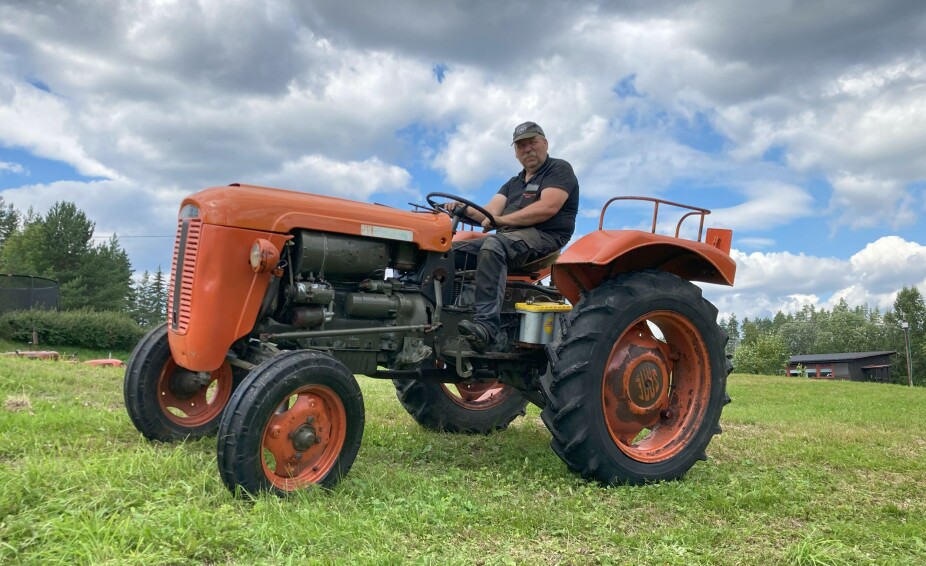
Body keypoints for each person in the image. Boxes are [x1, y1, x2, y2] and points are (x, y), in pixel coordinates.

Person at [450, 121, 579, 352]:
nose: (527, 149)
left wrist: (500, 221)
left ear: (545, 143)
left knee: (492, 245)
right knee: (445, 253)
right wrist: (460, 208)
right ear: (516, 152)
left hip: (543, 237)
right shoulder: (513, 183)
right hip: (510, 238)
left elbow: (547, 208)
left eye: (532, 142)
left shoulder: (558, 170)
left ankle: (486, 327)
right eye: (521, 146)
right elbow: (488, 213)